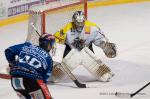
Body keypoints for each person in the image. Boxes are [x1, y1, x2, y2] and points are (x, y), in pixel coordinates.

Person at [52, 11, 117, 82]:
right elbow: (57, 41)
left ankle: (104, 74)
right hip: (70, 50)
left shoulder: (92, 27)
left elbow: (99, 40)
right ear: (73, 21)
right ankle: (55, 74)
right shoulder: (67, 28)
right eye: (77, 23)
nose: (80, 25)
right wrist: (56, 58)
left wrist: (105, 46)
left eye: (81, 22)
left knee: (103, 74)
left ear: (85, 21)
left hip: (86, 49)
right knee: (55, 77)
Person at [5, 33, 55, 99]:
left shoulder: (27, 46)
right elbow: (43, 80)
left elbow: (8, 51)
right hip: (31, 80)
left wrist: (13, 64)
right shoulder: (49, 59)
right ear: (49, 45)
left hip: (15, 79)